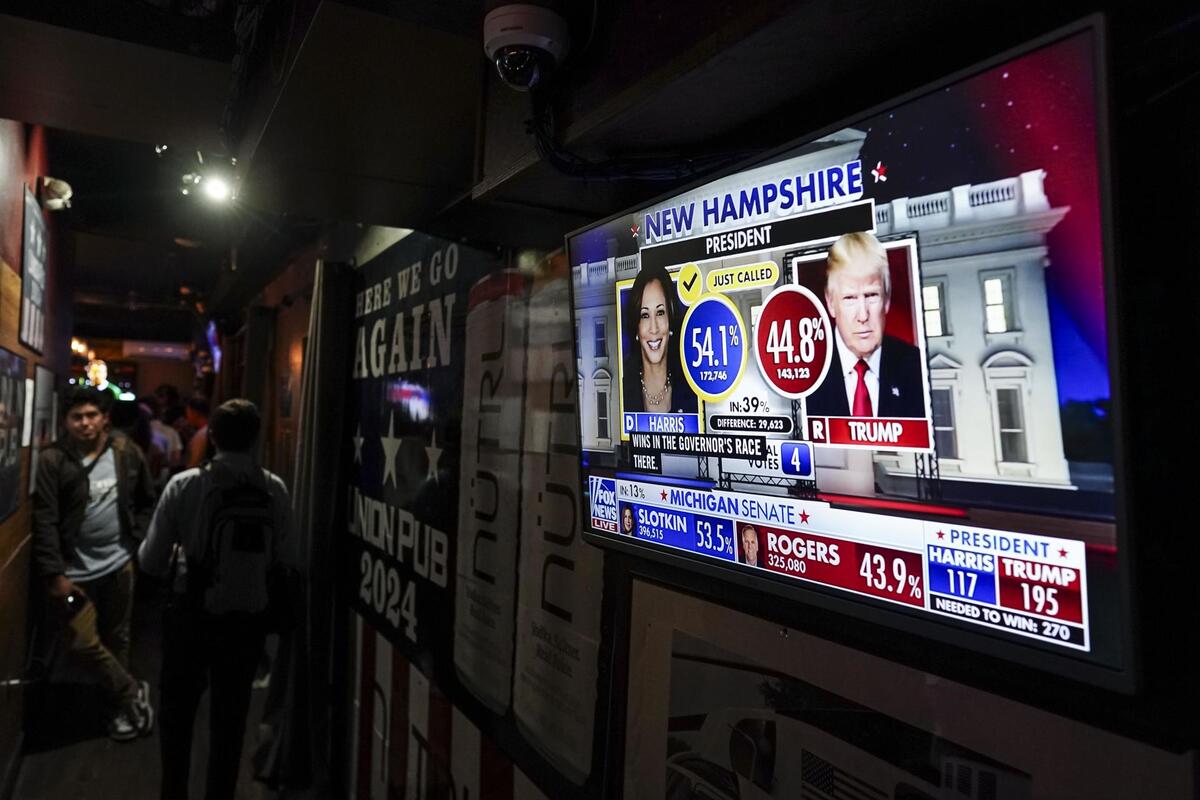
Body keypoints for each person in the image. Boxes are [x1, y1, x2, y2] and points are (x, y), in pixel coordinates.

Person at [139, 399, 294, 800]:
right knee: (230, 721)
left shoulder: (186, 485)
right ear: (256, 438)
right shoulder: (274, 489)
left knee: (177, 719)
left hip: (191, 615)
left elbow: (152, 561)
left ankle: (174, 792)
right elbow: (286, 559)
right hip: (246, 622)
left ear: (213, 437)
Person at [31, 386, 157, 741]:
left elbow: (147, 499)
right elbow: (45, 518)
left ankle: (119, 707)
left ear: (104, 419)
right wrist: (54, 573)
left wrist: (138, 540)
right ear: (66, 422)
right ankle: (131, 691)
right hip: (75, 570)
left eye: (91, 416)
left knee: (118, 636)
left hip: (119, 563)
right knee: (80, 642)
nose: (84, 423)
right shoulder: (54, 460)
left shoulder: (124, 451)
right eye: (77, 417)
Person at [804, 231, 928, 419]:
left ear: (886, 299)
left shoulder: (914, 367)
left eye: (871, 295)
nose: (863, 315)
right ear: (830, 303)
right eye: (850, 298)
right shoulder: (807, 368)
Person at [620, 264, 698, 415]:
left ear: (670, 318)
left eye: (660, 312)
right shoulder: (622, 392)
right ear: (636, 326)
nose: (654, 328)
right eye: (645, 315)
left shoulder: (692, 387)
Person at [183, 395, 212, 468]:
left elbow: (194, 463)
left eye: (188, 413)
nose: (187, 417)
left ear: (194, 413)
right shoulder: (209, 430)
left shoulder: (201, 436)